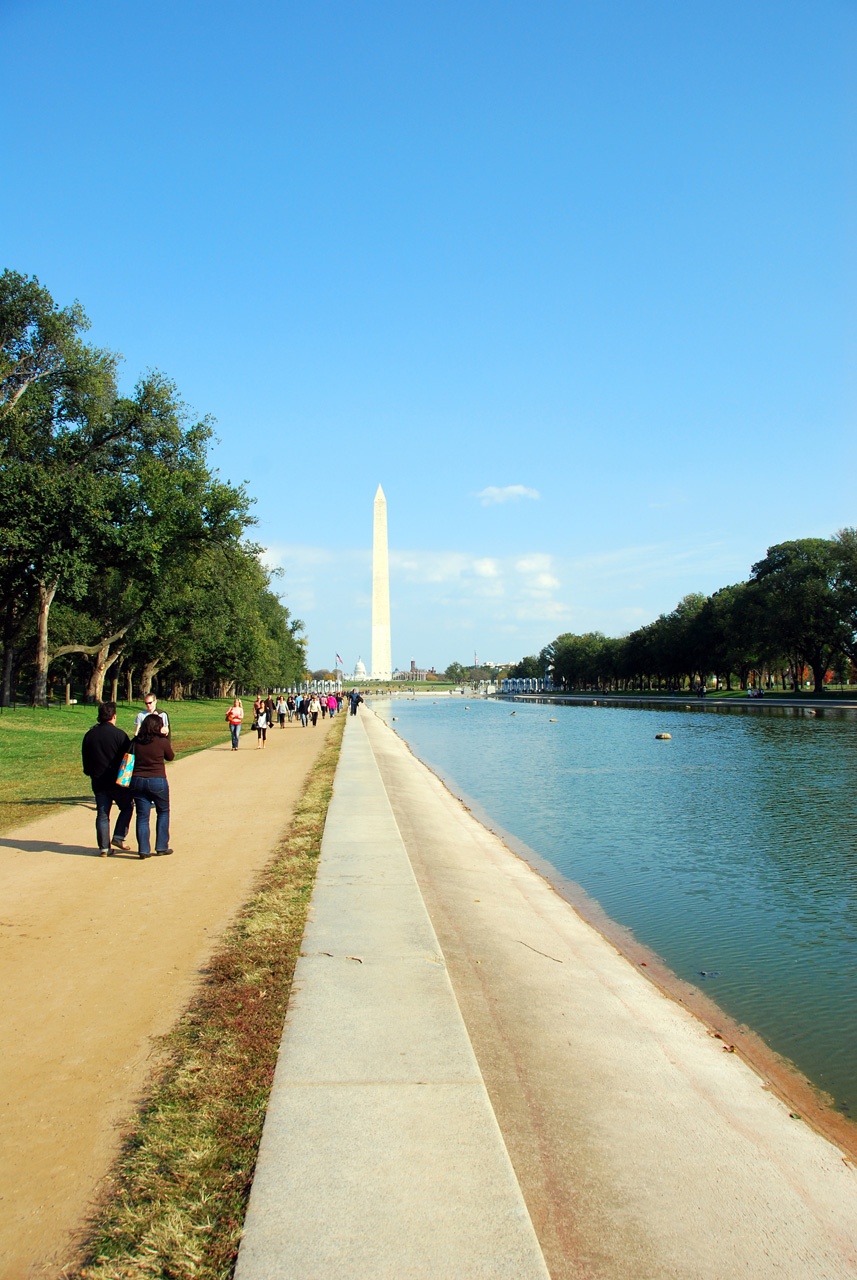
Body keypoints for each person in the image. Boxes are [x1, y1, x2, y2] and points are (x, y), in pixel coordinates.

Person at [81, 700, 134, 856]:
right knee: (127, 807)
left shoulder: (89, 735)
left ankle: (104, 847)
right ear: (114, 716)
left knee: (103, 814)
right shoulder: (120, 735)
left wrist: (89, 771)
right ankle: (118, 835)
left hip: (98, 780)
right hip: (117, 782)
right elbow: (128, 759)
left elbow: (86, 757)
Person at [129, 712, 174, 859]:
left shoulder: (136, 742)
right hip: (157, 780)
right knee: (163, 811)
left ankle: (143, 849)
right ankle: (161, 846)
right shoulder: (162, 742)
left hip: (137, 780)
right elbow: (170, 756)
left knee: (142, 816)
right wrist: (165, 737)